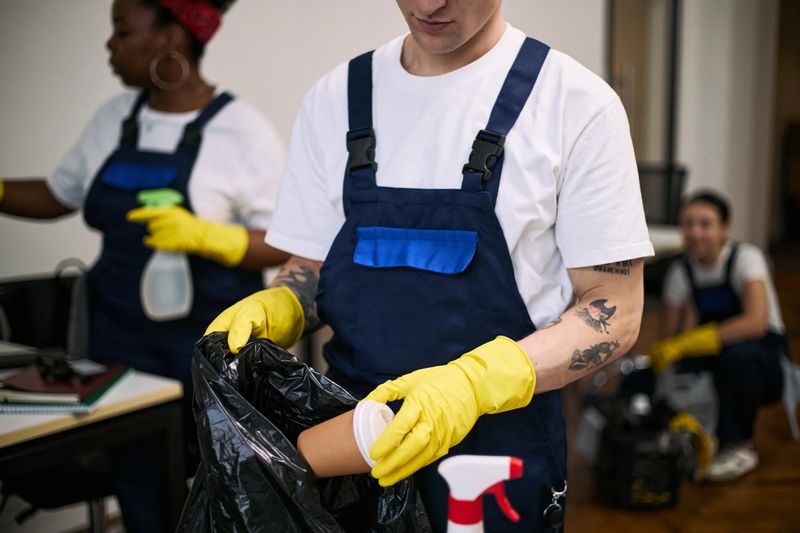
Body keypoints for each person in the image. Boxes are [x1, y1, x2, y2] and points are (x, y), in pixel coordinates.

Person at [207, 1, 653, 531]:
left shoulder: (574, 105)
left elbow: (614, 307)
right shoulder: (335, 99)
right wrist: (285, 300)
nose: (427, 4)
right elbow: (313, 263)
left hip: (492, 462)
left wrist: (474, 384)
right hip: (354, 441)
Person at [0, 0, 287, 531]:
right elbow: (59, 194)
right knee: (137, 482)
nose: (110, 46)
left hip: (205, 348)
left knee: (224, 482)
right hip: (119, 340)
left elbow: (286, 240)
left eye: (121, 30)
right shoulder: (115, 119)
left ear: (170, 39)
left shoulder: (241, 131)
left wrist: (209, 236)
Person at [648, 190, 788, 482]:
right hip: (718, 352)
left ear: (725, 228)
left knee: (741, 357)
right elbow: (670, 336)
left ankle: (741, 447)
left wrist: (692, 341)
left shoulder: (745, 259)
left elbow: (755, 323)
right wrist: (668, 354)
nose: (695, 232)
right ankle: (680, 438)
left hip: (764, 360)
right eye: (688, 224)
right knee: (650, 376)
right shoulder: (681, 271)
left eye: (705, 224)